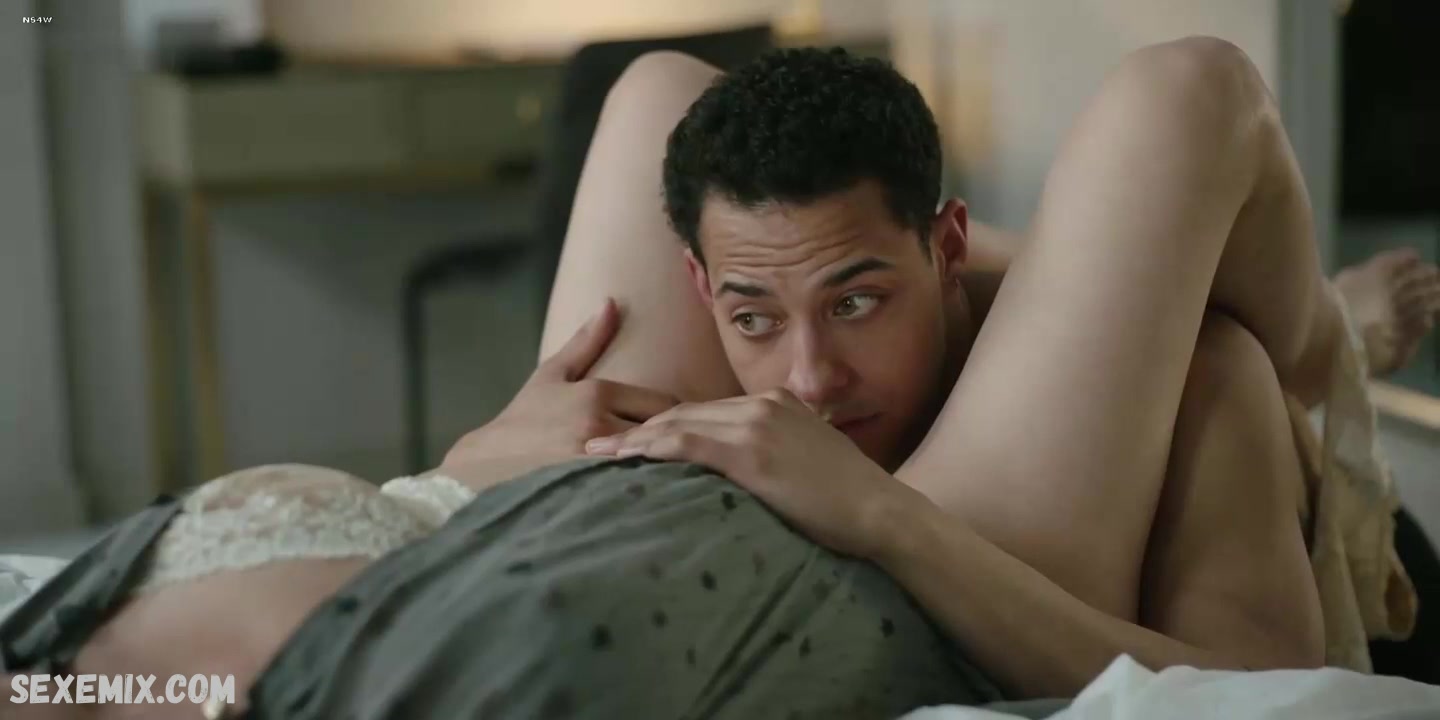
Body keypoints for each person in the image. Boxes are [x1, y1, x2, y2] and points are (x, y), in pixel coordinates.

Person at [4, 41, 1438, 718]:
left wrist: (887, 522)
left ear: (943, 250)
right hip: (532, 539)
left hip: (916, 554)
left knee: (1185, 96)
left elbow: (1272, 695)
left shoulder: (1202, 381)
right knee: (658, 94)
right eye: (751, 315)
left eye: (859, 302)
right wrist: (472, 462)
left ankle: (1325, 344)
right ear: (705, 297)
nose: (805, 377)